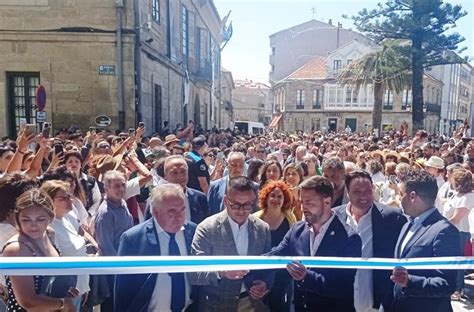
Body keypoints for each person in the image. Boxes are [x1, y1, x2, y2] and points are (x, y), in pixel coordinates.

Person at [267, 176, 361, 312]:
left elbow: (342, 285)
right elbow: (275, 255)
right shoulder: (297, 230)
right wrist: (244, 266)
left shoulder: (349, 238)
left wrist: (306, 276)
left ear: (327, 202)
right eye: (302, 202)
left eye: (309, 203)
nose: (303, 208)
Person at [189, 176, 272, 312]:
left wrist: (265, 284)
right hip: (216, 305)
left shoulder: (263, 228)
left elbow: (268, 266)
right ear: (226, 200)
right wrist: (221, 272)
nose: (241, 210)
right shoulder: (207, 228)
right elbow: (194, 273)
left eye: (247, 205)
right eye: (236, 204)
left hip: (252, 304)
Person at [381, 170, 460, 312]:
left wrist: (409, 281)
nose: (399, 199)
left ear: (412, 196)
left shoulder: (444, 231)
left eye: (401, 194)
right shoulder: (408, 224)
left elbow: (447, 284)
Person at [115, 184, 197, 312]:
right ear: (155, 212)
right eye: (172, 211)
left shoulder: (193, 232)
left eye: (182, 209)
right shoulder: (133, 239)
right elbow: (122, 291)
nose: (179, 216)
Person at [333, 170, 406, 312]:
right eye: (357, 191)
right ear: (347, 193)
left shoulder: (393, 218)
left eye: (367, 190)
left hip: (377, 304)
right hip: (342, 301)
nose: (363, 196)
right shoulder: (334, 217)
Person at [2, 189, 77, 311]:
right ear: (17, 219)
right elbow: (28, 302)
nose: (33, 225)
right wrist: (63, 303)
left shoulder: (50, 234)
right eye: (26, 220)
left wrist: (64, 291)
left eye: (40, 219)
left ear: (50, 217)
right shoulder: (16, 249)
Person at [41, 180, 90, 311]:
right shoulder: (47, 228)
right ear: (49, 200)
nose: (69, 200)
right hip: (62, 294)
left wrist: (84, 286)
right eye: (63, 197)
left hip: (78, 287)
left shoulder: (69, 217)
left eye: (69, 196)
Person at [94, 170, 133, 311]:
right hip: (114, 270)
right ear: (106, 188)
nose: (121, 189)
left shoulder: (122, 203)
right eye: (116, 186)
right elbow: (106, 246)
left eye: (123, 185)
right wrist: (119, 269)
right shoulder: (106, 213)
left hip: (126, 264)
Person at [254, 180, 296, 312]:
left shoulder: (291, 218)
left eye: (280, 197)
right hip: (260, 273)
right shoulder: (255, 219)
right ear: (266, 198)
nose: (276, 199)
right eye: (272, 196)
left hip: (283, 274)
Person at [145, 155, 209, 224]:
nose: (180, 176)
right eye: (174, 173)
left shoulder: (200, 198)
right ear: (165, 176)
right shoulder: (155, 200)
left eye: (183, 171)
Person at [440, 168, 473, 300]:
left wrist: (439, 227)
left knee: (459, 262)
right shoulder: (456, 194)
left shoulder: (468, 197)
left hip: (461, 233)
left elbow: (456, 219)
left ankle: (458, 290)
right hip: (453, 232)